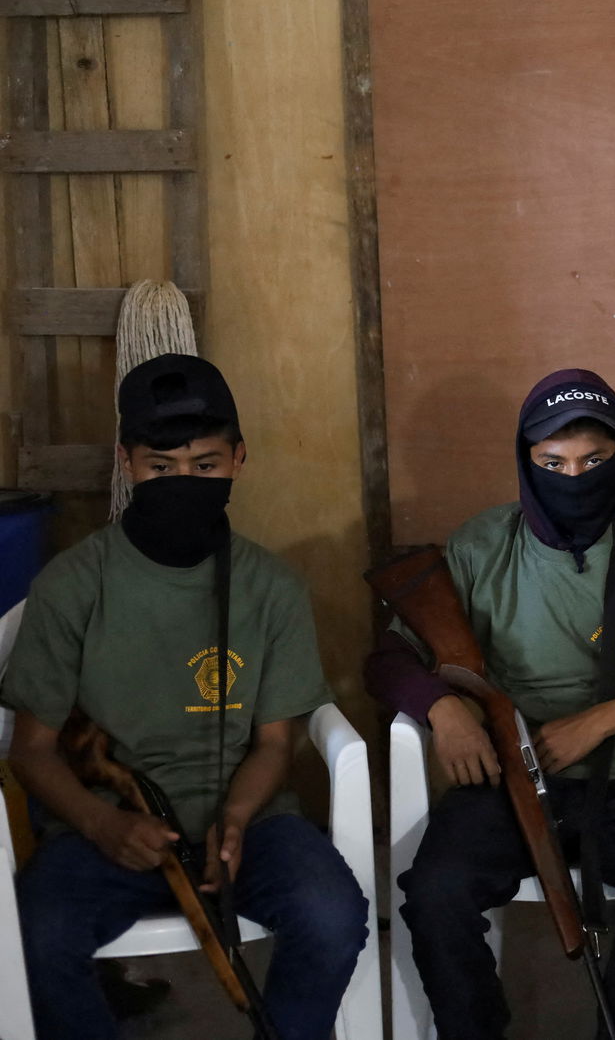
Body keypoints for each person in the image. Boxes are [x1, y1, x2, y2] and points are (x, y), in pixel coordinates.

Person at [366, 368, 615, 1040]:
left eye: (594, 461)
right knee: (435, 892)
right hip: (501, 782)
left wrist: (604, 719)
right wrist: (443, 709)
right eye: (552, 463)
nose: (573, 478)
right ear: (526, 462)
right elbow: (387, 660)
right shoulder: (480, 547)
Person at [2, 354, 368, 1040]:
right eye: (160, 467)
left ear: (239, 459)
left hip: (250, 826)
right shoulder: (73, 585)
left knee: (334, 915)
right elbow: (33, 749)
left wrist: (236, 816)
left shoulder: (272, 588)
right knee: (35, 936)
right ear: (126, 463)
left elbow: (274, 742)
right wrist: (102, 825)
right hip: (107, 832)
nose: (183, 482)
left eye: (205, 466)